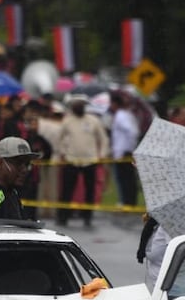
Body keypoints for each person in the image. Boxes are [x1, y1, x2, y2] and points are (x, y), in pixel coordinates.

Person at [56, 97, 108, 227]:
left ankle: (87, 217)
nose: (78, 107)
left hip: (90, 160)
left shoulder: (93, 121)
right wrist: (63, 152)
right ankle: (63, 216)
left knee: (89, 190)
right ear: (72, 107)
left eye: (81, 105)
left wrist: (102, 155)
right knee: (67, 190)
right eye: (76, 105)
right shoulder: (67, 121)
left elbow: (104, 138)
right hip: (71, 159)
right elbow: (59, 138)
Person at [108, 91, 140, 207]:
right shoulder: (127, 114)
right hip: (124, 151)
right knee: (127, 178)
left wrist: (127, 149)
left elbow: (132, 132)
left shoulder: (121, 115)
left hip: (123, 152)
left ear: (115, 104)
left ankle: (126, 201)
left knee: (124, 178)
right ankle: (129, 201)